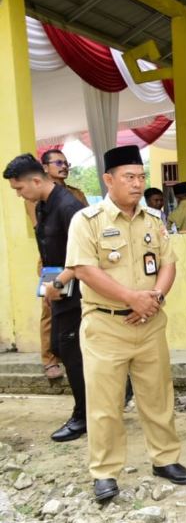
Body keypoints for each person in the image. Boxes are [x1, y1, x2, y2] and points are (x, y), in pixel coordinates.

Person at [66, 145, 186, 502]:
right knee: (105, 404)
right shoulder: (87, 220)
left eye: (140, 177)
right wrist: (130, 298)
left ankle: (165, 459)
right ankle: (105, 472)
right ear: (108, 180)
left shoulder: (153, 218)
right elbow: (84, 269)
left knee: (158, 396)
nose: (137, 184)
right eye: (129, 177)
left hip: (149, 322)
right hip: (105, 325)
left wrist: (155, 298)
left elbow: (168, 264)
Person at [3, 154, 87, 442]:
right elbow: (50, 252)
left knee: (73, 353)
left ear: (36, 180)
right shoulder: (43, 206)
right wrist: (50, 287)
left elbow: (86, 255)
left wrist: (61, 281)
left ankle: (84, 416)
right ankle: (110, 394)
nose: (18, 195)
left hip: (77, 291)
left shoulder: (69, 207)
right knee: (59, 346)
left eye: (19, 188)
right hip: (57, 289)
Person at [28, 149, 87, 380]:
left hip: (75, 259)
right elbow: (43, 232)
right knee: (50, 308)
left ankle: (75, 353)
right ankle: (49, 359)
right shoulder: (36, 196)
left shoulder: (75, 194)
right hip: (52, 261)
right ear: (45, 168)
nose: (64, 166)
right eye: (58, 163)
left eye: (66, 163)